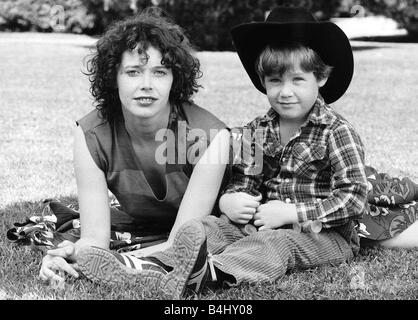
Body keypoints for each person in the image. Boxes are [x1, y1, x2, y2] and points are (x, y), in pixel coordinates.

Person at [72, 6, 372, 299]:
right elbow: (245, 180)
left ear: (320, 78)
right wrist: (232, 199)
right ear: (263, 81)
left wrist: (293, 212)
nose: (285, 92)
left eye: (298, 80)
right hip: (259, 223)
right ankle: (156, 264)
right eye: (275, 81)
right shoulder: (257, 130)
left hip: (321, 233)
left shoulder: (336, 131)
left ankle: (210, 273)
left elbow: (354, 197)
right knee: (207, 227)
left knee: (273, 245)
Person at [38, 8, 230, 284]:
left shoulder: (210, 137)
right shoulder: (91, 134)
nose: (147, 85)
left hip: (213, 227)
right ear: (113, 77)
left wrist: (105, 262)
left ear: (175, 79)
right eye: (133, 72)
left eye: (160, 72)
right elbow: (94, 239)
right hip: (148, 229)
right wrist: (62, 256)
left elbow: (180, 245)